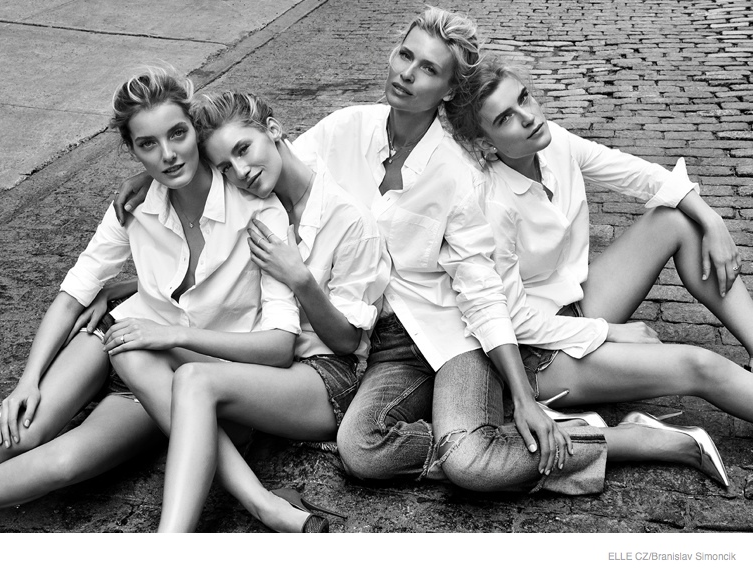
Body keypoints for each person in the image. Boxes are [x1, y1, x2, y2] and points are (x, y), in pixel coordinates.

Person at [115, 8, 727, 495]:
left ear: (449, 88)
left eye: (428, 68)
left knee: (470, 466)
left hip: (454, 334)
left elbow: (481, 291)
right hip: (385, 343)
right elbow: (251, 159)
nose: (407, 73)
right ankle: (501, 435)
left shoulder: (458, 171)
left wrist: (521, 394)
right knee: (362, 452)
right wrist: (163, 175)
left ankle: (604, 440)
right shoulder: (345, 129)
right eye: (404, 55)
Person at [0, 68, 312, 531]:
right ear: (133, 150)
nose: (167, 155)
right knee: (21, 431)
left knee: (63, 464)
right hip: (117, 337)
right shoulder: (135, 205)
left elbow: (279, 343)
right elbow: (74, 292)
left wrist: (168, 333)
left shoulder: (258, 209)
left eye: (178, 134)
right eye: (148, 145)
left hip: (183, 369)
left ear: (196, 131)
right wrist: (28, 381)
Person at [442, 53, 753, 481]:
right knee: (701, 367)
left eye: (524, 98)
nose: (528, 117)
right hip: (539, 354)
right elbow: (511, 320)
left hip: (575, 304)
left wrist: (712, 219)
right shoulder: (491, 203)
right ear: (485, 143)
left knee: (678, 219)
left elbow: (643, 177)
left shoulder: (554, 144)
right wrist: (607, 332)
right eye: (506, 118)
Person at [153, 91, 390, 532]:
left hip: (325, 378)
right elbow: (186, 182)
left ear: (274, 130)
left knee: (193, 379)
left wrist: (300, 279)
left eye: (244, 149)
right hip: (266, 361)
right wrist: (141, 182)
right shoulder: (253, 202)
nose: (240, 171)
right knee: (138, 349)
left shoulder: (348, 218)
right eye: (226, 166)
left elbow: (346, 342)